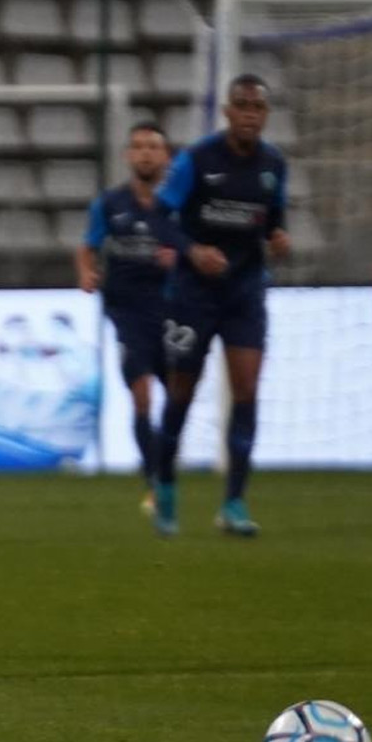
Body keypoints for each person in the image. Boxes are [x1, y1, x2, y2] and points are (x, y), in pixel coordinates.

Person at [152, 74, 291, 538]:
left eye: (258, 107)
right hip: (193, 293)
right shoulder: (198, 159)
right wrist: (192, 251)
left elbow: (273, 220)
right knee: (181, 393)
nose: (250, 114)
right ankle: (166, 482)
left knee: (246, 390)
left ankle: (233, 502)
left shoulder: (274, 164)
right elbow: (159, 215)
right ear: (228, 112)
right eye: (242, 106)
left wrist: (277, 236)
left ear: (265, 115)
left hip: (245, 291)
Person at [76, 122, 183, 515]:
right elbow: (88, 247)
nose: (145, 154)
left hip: (173, 311)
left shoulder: (178, 207)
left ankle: (163, 471)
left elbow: (197, 250)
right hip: (127, 313)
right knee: (141, 396)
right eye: (137, 146)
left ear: (166, 156)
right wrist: (86, 273)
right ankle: (154, 480)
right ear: (127, 155)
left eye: (153, 146)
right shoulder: (109, 204)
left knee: (176, 400)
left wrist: (182, 259)